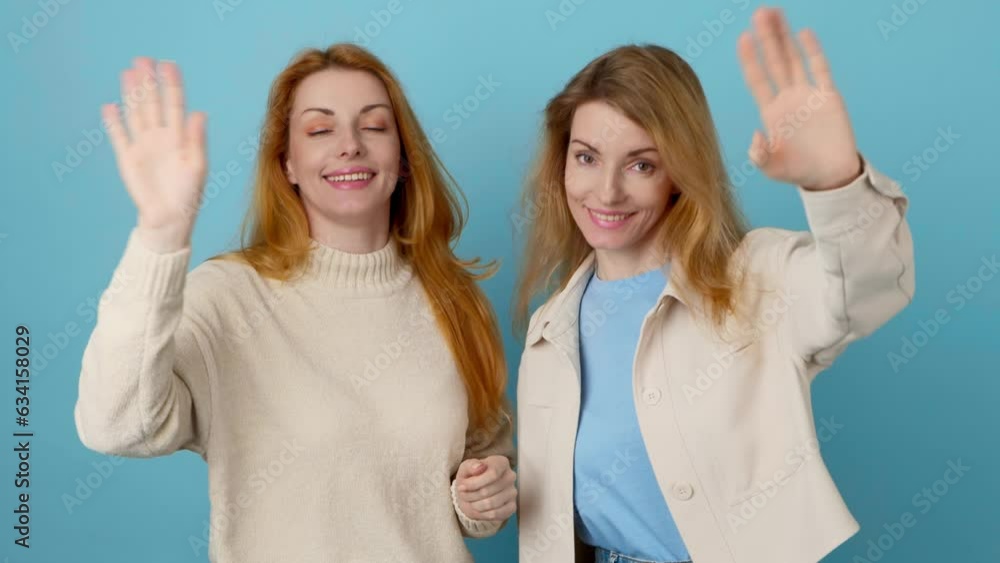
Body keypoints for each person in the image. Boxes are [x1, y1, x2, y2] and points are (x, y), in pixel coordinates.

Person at [74, 44, 517, 562]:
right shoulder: (228, 297)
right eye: (320, 130)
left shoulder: (456, 301)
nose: (350, 145)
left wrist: (482, 499)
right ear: (286, 163)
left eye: (374, 126)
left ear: (402, 160)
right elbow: (116, 425)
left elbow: (483, 469)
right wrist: (160, 233)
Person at [513, 7, 914, 563]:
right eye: (586, 158)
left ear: (679, 173)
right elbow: (550, 527)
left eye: (641, 165)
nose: (605, 192)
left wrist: (836, 183)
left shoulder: (757, 278)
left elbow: (867, 290)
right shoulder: (549, 332)